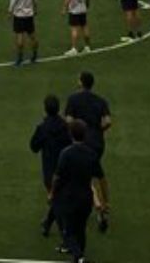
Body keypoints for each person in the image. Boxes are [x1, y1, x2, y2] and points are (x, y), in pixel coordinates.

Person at [63, 71, 114, 232]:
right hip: (98, 143)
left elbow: (69, 121)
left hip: (82, 143)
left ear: (81, 83)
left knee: (85, 177)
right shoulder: (101, 101)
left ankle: (97, 204)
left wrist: (75, 133)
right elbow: (107, 121)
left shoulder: (73, 99)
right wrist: (98, 130)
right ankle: (106, 203)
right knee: (98, 173)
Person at [51, 119, 102, 262]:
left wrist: (52, 193)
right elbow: (99, 178)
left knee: (67, 232)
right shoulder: (91, 154)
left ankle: (79, 256)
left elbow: (57, 176)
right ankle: (78, 257)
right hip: (86, 198)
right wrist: (101, 200)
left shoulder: (66, 154)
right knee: (81, 229)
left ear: (70, 134)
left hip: (70, 198)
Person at [30, 95, 72, 240]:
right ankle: (49, 224)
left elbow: (33, 147)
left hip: (49, 171)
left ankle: (64, 235)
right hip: (65, 169)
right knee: (57, 200)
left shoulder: (42, 128)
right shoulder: (65, 126)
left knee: (57, 201)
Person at [9, 0, 39, 66]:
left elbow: (13, 0)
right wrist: (35, 9)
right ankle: (35, 55)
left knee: (20, 36)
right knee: (32, 35)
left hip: (19, 14)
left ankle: (20, 58)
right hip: (29, 14)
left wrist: (10, 11)